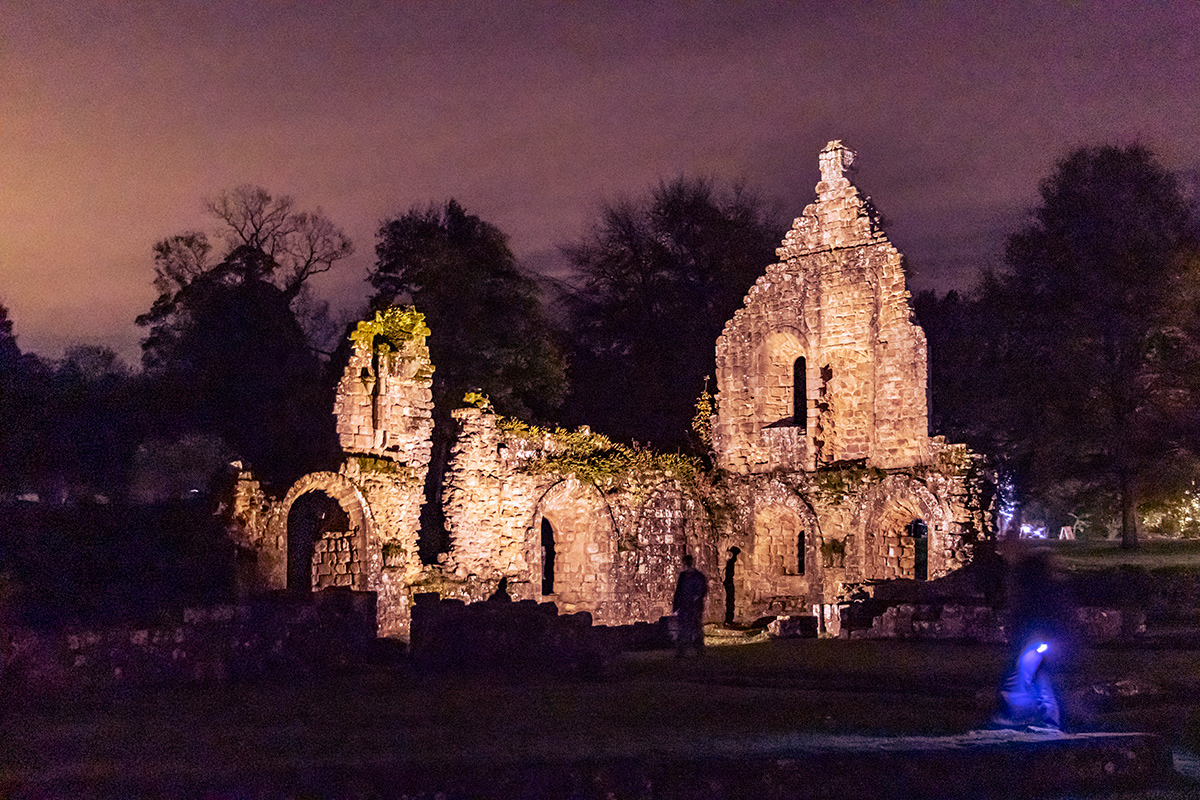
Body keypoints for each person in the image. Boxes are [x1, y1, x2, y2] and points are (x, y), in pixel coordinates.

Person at [672, 554, 708, 657]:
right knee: (684, 629)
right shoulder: (684, 576)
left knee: (695, 628)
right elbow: (678, 592)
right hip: (686, 606)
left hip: (693, 606)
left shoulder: (697, 576)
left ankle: (698, 650)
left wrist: (695, 599)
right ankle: (682, 651)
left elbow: (701, 591)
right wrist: (677, 606)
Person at [723, 546, 740, 625]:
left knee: (730, 600)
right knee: (728, 600)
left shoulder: (730, 562)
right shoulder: (727, 562)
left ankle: (729, 619)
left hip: (729, 581)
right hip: (726, 582)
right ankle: (727, 619)